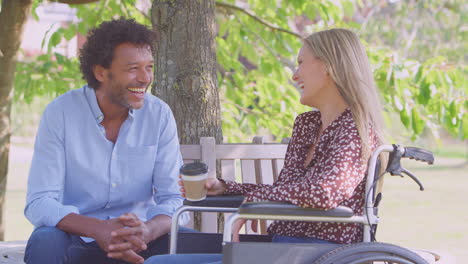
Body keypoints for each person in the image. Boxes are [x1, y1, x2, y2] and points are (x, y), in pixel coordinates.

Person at [144, 28, 386, 264]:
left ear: (327, 67)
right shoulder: (307, 124)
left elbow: (325, 192)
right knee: (157, 261)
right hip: (279, 247)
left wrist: (251, 201)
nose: (295, 74)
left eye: (301, 62)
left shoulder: (355, 129)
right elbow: (287, 191)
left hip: (320, 252)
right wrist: (228, 188)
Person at [24, 18, 189, 264]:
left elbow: (173, 198)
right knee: (44, 242)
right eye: (133, 68)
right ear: (101, 72)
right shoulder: (61, 113)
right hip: (77, 237)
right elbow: (39, 202)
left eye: (149, 67)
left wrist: (148, 230)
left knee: (195, 244)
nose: (145, 78)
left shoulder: (159, 114)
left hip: (140, 238)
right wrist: (98, 229)